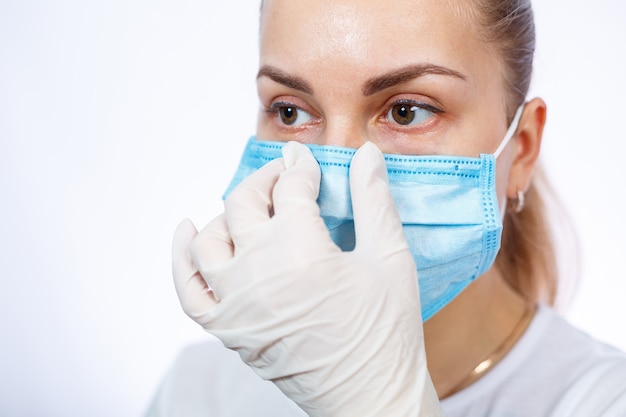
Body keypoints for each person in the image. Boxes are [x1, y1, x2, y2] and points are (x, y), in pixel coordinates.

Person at [146, 0, 626, 415]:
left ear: (520, 150)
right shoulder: (198, 393)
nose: (333, 174)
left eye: (406, 111)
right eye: (290, 111)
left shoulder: (604, 402)